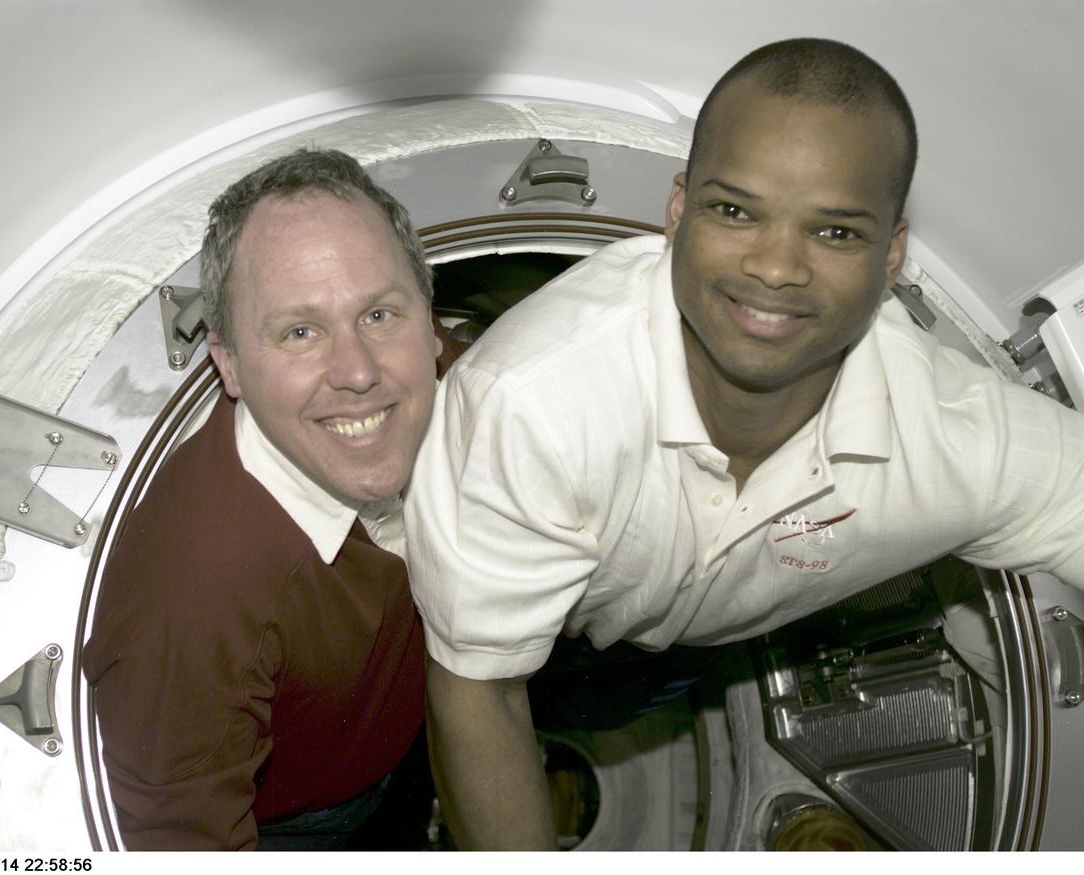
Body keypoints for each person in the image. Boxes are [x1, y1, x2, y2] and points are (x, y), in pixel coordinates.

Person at [405, 37, 1084, 849]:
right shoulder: (536, 401)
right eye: (735, 211)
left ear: (894, 254)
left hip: (688, 654)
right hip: (501, 629)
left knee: (618, 699)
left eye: (834, 233)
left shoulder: (952, 433)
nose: (776, 267)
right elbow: (476, 689)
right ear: (677, 207)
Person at [83, 148, 463, 850]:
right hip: (306, 820)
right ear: (228, 364)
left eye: (378, 313)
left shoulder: (434, 375)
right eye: (299, 332)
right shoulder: (192, 597)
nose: (357, 372)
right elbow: (184, 843)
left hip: (415, 725)